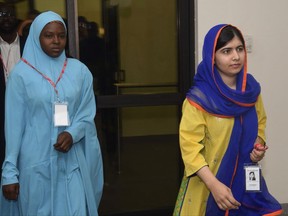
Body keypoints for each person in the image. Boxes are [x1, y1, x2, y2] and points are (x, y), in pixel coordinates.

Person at [0, 11, 103, 216]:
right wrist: (10, 173)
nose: (56, 41)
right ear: (37, 38)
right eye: (48, 35)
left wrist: (72, 133)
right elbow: (13, 126)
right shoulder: (21, 75)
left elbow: (86, 113)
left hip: (71, 162)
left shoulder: (79, 71)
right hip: (34, 165)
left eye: (61, 35)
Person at [173, 24, 283, 216]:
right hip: (208, 185)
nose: (236, 56)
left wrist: (258, 145)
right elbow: (190, 149)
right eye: (226, 51)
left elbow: (260, 123)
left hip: (245, 181)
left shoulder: (251, 91)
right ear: (212, 57)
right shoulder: (199, 99)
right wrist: (214, 185)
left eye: (239, 49)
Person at [0, 2, 26, 177]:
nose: (6, 18)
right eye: (1, 14)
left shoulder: (30, 46)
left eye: (9, 14)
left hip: (27, 113)